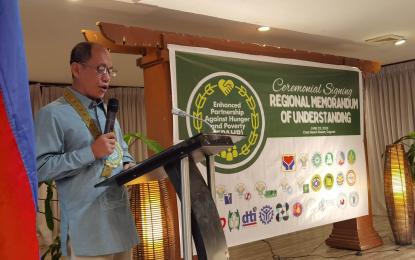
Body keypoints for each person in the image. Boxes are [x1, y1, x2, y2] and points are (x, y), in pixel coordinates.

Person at [35, 42, 140, 260]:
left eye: (110, 70)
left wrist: (129, 164)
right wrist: (90, 152)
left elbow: (122, 152)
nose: (107, 77)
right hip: (88, 233)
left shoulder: (108, 112)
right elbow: (40, 169)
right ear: (76, 69)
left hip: (121, 226)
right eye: (101, 69)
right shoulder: (52, 114)